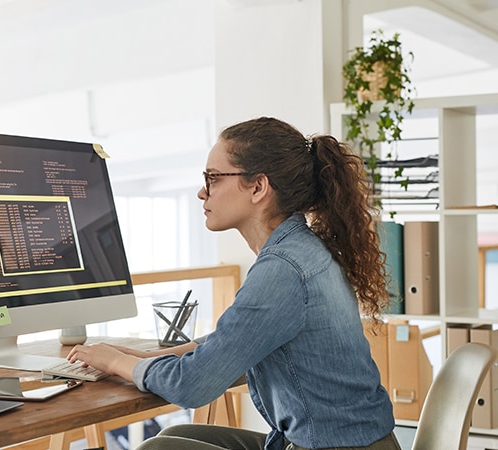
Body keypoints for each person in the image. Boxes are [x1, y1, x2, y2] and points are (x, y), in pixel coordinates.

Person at [67, 117, 399, 450]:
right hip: (347, 441)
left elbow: (192, 386)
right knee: (171, 437)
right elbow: (235, 342)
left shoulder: (283, 269)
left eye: (213, 178)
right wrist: (140, 357)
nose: (202, 192)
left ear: (258, 187)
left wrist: (114, 362)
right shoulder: (299, 250)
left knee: (158, 449)